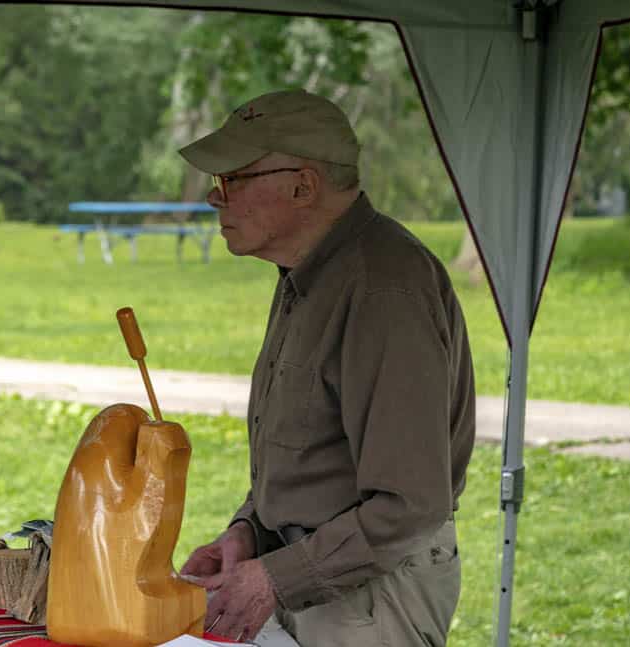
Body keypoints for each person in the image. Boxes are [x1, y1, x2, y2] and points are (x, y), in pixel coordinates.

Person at [177, 89, 476, 647]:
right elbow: (308, 445)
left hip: (369, 595)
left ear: (303, 185)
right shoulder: (308, 272)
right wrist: (250, 531)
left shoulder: (383, 287)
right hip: (311, 573)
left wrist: (273, 577)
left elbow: (409, 503)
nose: (215, 199)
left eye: (231, 180)